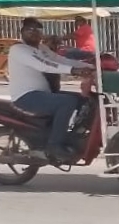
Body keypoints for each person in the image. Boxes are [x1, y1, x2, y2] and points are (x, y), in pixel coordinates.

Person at [8, 17, 93, 162]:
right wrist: (73, 70)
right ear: (22, 32)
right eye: (29, 29)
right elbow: (44, 65)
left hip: (42, 93)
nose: (34, 32)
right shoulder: (19, 49)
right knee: (66, 102)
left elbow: (60, 60)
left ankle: (72, 136)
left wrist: (90, 67)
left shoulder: (42, 48)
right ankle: (54, 145)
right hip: (26, 96)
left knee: (85, 100)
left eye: (37, 29)